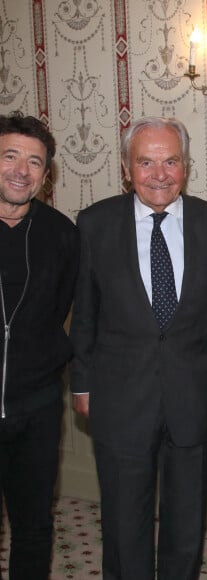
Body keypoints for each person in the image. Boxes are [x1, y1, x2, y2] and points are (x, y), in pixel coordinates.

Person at [69, 116, 207, 580]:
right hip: (119, 399)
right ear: (127, 169)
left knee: (186, 526)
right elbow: (84, 316)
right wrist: (81, 384)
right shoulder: (94, 224)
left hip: (196, 398)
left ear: (186, 167)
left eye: (170, 161)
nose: (159, 173)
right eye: (146, 162)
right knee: (125, 528)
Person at [0, 112, 79, 579]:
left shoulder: (61, 234)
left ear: (45, 176)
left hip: (37, 410)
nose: (20, 171)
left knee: (33, 527)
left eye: (34, 162)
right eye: (10, 156)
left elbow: (62, 310)